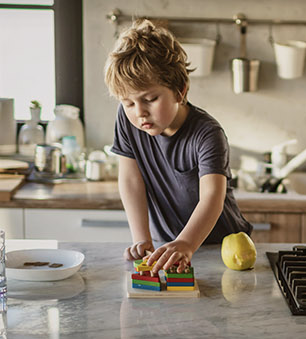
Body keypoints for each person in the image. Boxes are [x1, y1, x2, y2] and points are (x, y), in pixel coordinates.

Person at [105, 20, 253, 274]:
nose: (139, 112)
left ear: (180, 91)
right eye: (128, 102)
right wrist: (142, 238)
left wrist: (186, 243)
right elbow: (131, 181)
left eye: (150, 99)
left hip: (222, 251)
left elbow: (212, 198)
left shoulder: (208, 133)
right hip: (169, 249)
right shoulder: (128, 120)